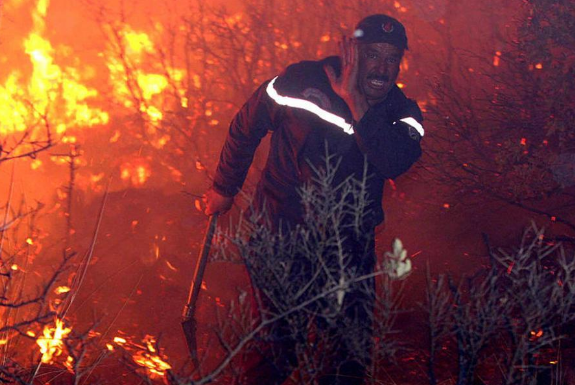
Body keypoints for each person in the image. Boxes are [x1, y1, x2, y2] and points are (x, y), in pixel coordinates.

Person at [203, 14, 424, 385]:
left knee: (346, 358)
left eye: (392, 58)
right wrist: (224, 188)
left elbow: (395, 161)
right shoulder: (299, 82)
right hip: (280, 232)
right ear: (352, 51)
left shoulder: (402, 113)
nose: (383, 68)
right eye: (373, 55)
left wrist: (356, 103)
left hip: (348, 248)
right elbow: (246, 126)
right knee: (277, 348)